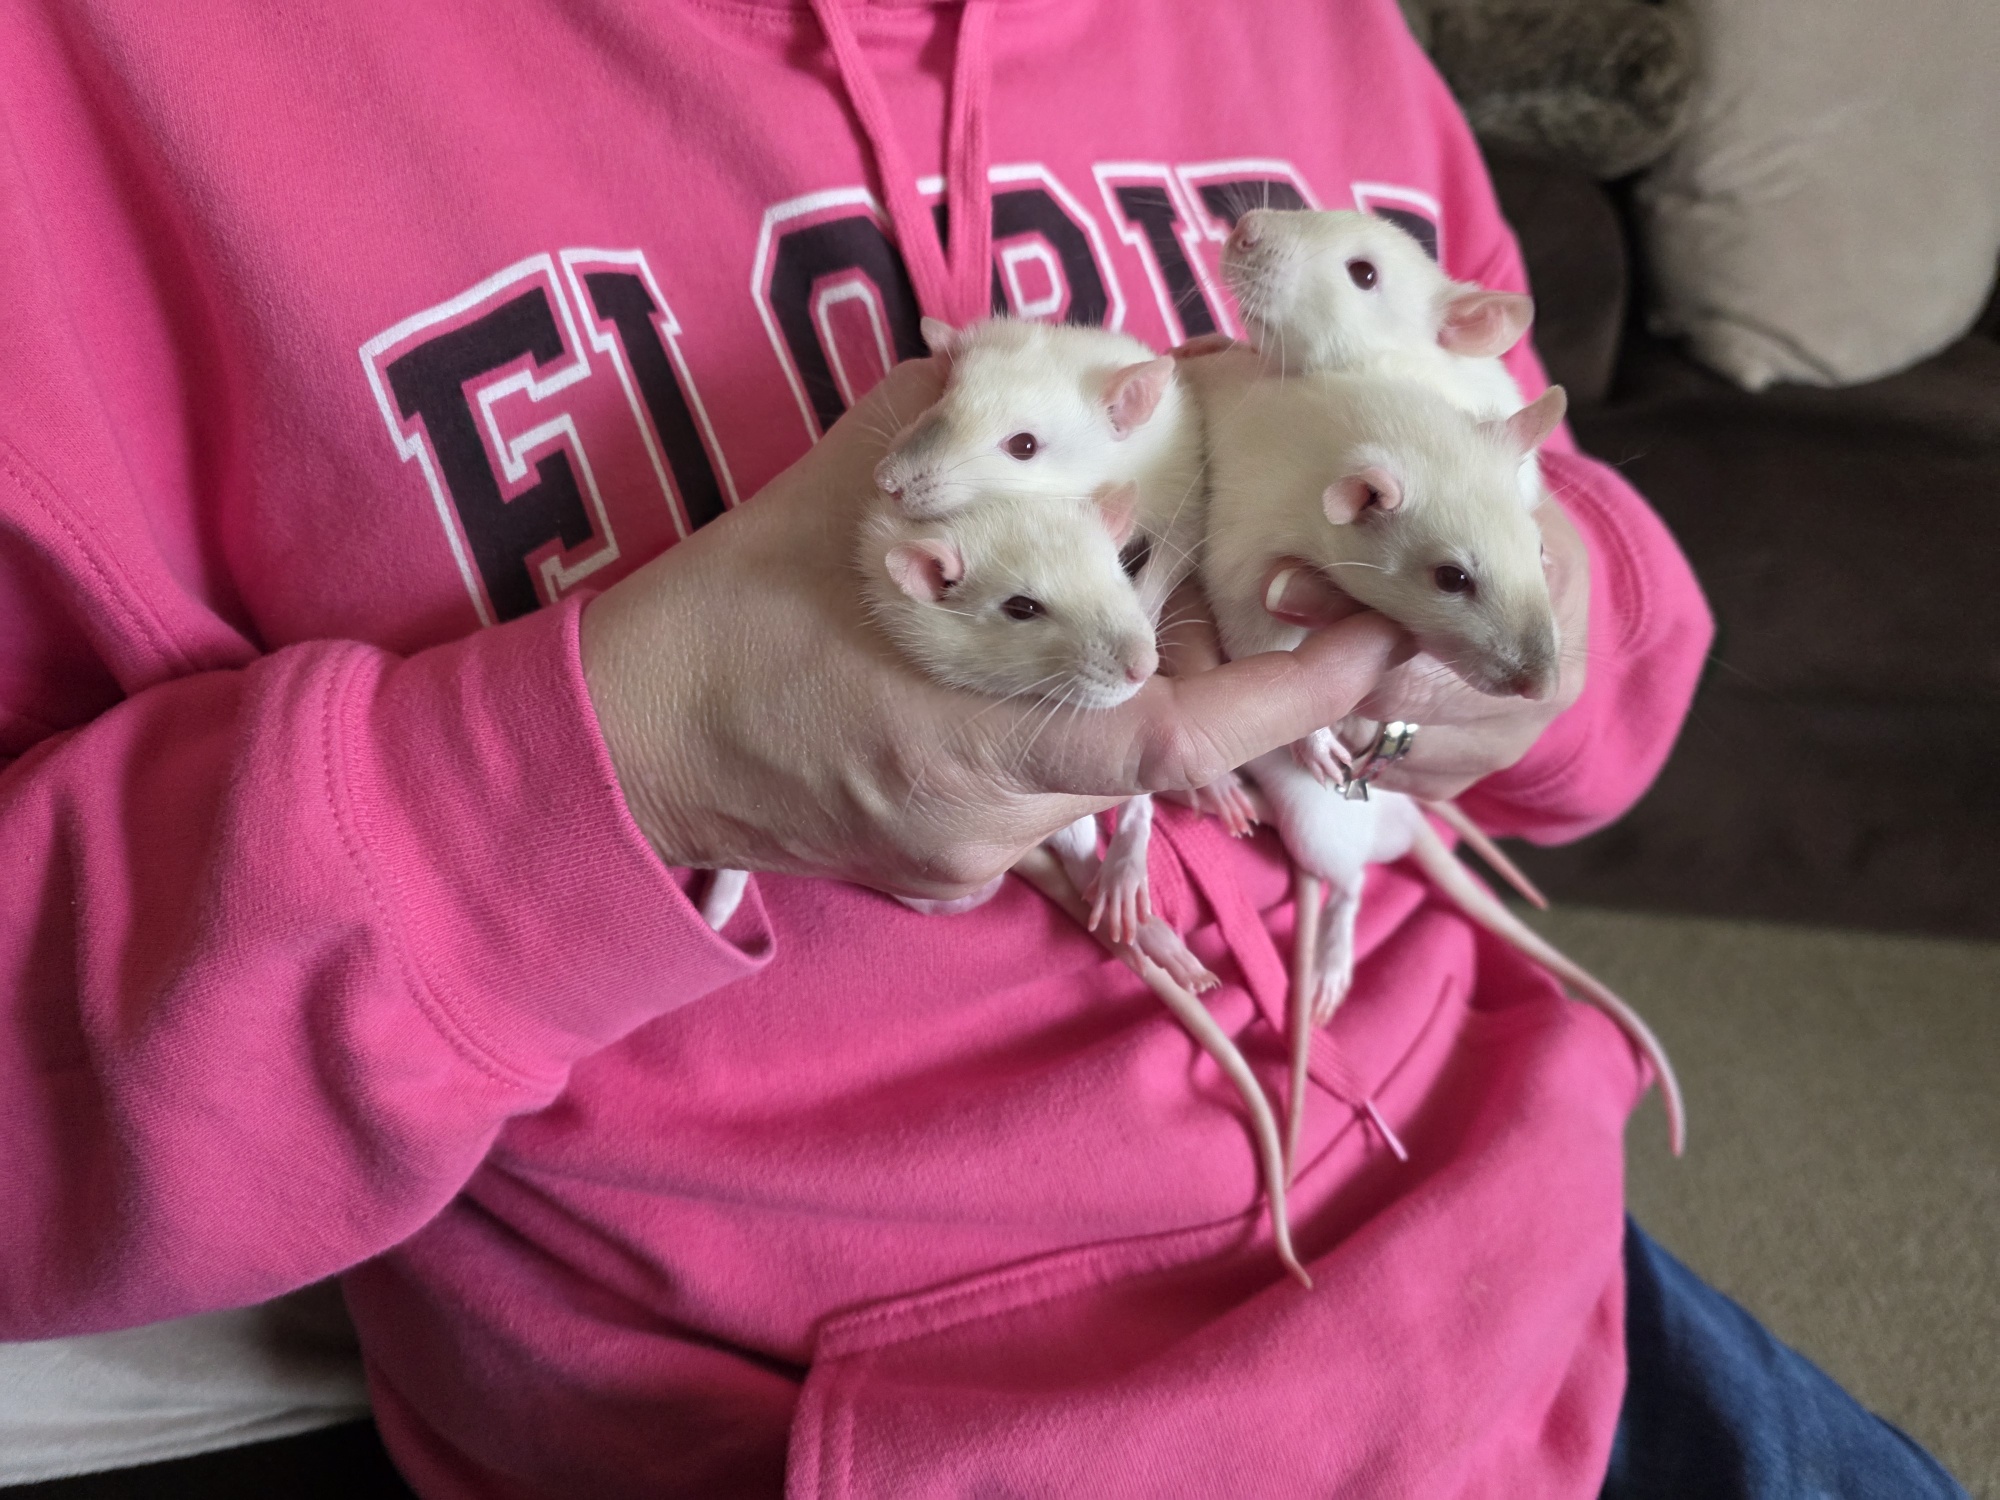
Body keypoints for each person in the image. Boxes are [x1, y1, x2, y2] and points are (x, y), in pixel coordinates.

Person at [0, 2, 1970, 1496]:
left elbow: (1553, 562)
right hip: (863, 1433)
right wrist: (647, 752)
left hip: (1531, 1275)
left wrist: (1538, 641)